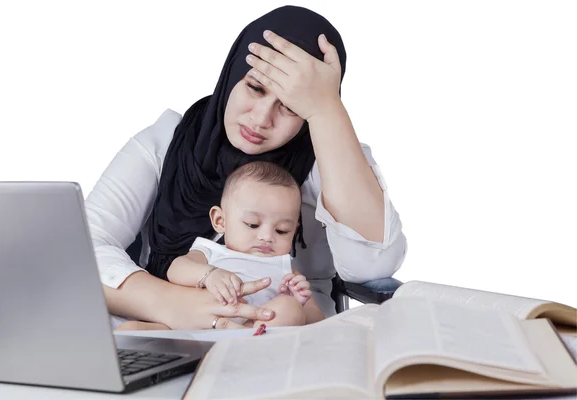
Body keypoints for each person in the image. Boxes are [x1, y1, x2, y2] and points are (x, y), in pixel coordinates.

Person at [85, 5, 407, 331]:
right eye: (255, 88)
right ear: (232, 74)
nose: (261, 118)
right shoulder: (166, 141)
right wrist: (172, 304)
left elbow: (371, 264)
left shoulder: (329, 155)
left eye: (291, 107)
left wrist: (327, 111)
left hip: (282, 340)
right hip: (165, 327)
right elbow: (83, 246)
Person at [117, 161, 324, 330]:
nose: (266, 236)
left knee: (288, 308)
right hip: (196, 328)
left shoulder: (285, 271)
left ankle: (248, 341)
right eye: (252, 224)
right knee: (131, 330)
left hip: (255, 335)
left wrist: (300, 302)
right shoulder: (209, 252)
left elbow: (319, 322)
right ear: (220, 221)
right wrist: (209, 274)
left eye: (282, 230)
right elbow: (175, 269)